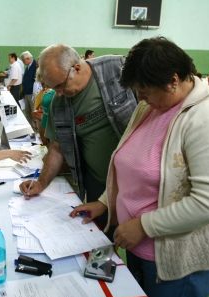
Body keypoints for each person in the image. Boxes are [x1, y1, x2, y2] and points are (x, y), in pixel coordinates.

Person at [70, 37, 209, 297]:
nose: (140, 97)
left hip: (177, 260)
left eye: (145, 90)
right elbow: (129, 166)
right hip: (138, 246)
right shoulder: (149, 107)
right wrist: (105, 202)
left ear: (173, 80)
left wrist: (144, 226)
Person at [19, 44, 137, 206]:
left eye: (60, 85)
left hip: (135, 184)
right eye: (53, 88)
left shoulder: (118, 70)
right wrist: (40, 183)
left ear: (77, 68)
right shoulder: (58, 103)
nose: (58, 93)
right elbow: (57, 148)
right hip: (98, 185)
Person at [20, 51, 38, 127]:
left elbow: (36, 80)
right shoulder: (28, 66)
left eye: (23, 60)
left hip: (32, 93)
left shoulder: (36, 65)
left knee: (34, 112)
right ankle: (30, 128)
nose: (23, 62)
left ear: (28, 58)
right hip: (26, 92)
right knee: (27, 112)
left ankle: (37, 129)